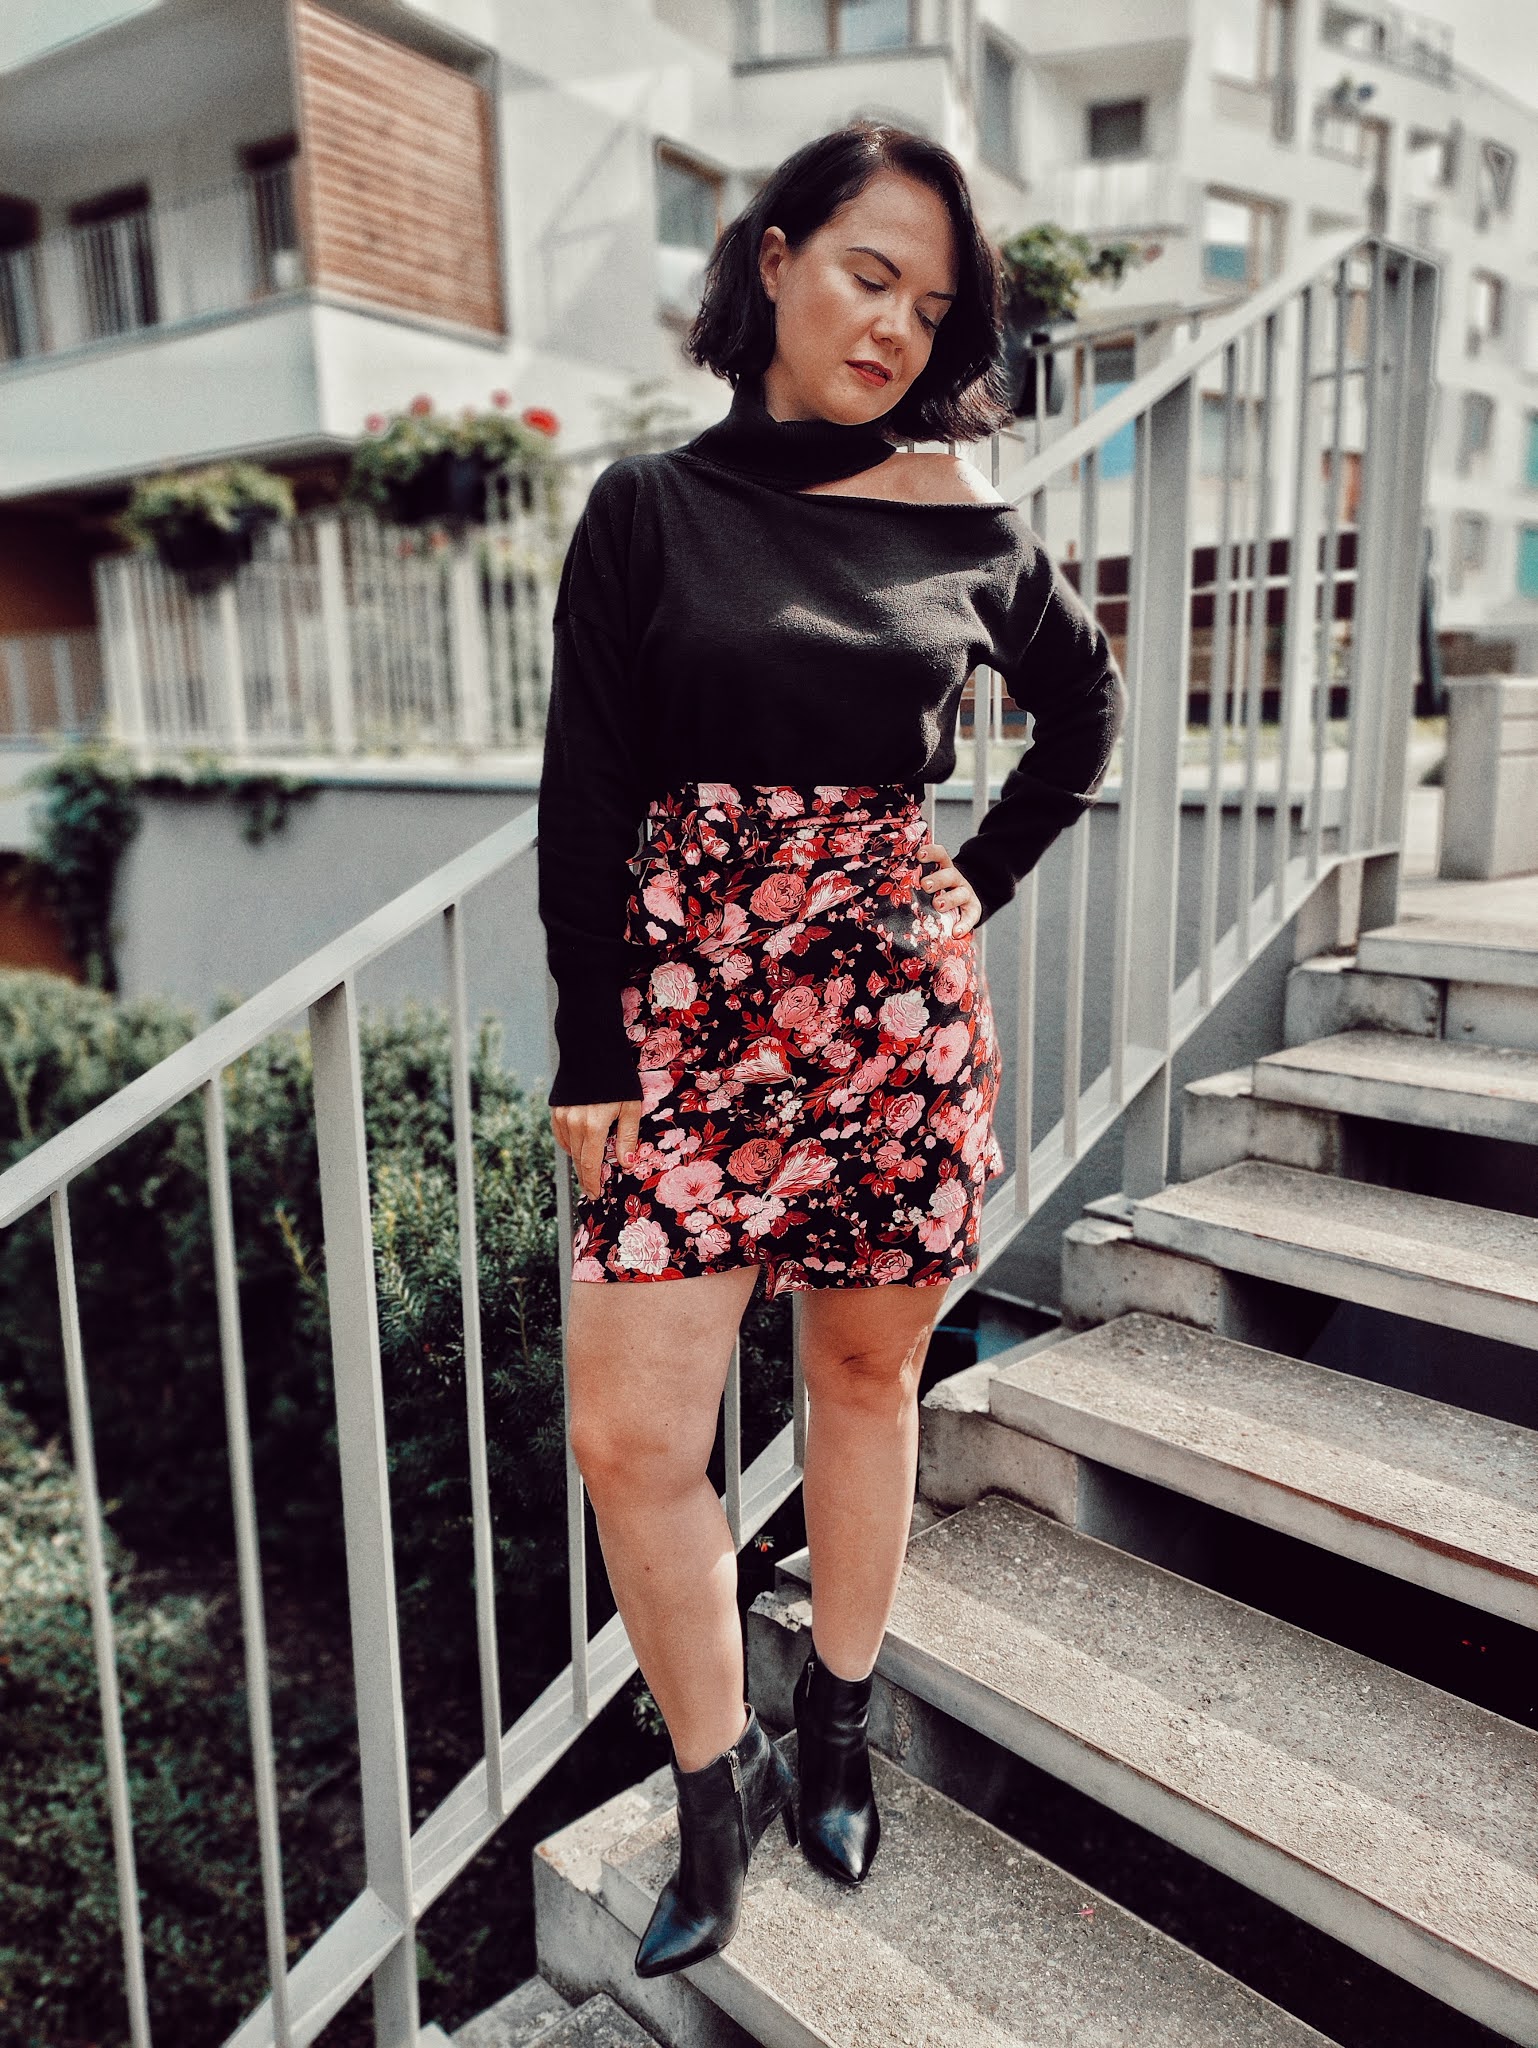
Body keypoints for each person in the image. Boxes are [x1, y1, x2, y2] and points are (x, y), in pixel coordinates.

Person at [535, 119, 1125, 1979]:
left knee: (863, 1385)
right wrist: (589, 1046)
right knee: (631, 1435)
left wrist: (975, 883)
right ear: (775, 257)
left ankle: (839, 1727)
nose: (892, 327)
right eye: (868, 274)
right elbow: (584, 793)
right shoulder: (646, 507)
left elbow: (1083, 710)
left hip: (891, 1016)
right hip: (684, 1017)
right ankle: (713, 1786)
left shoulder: (963, 514)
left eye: (930, 307)